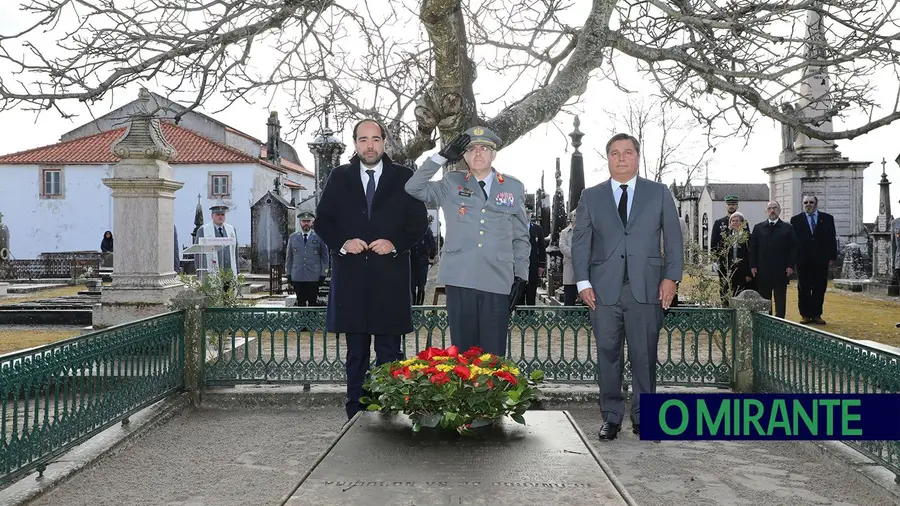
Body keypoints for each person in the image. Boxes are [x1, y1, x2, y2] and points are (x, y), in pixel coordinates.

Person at [314, 118, 428, 420]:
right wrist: (343, 242)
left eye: (375, 139)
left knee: (390, 353)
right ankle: (355, 412)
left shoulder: (404, 177)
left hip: (390, 280)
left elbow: (418, 223)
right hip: (351, 280)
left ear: (384, 142)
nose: (370, 145)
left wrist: (394, 243)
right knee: (356, 354)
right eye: (363, 140)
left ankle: (388, 409)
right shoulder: (339, 177)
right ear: (355, 143)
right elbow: (323, 221)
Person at [571, 133, 683, 440]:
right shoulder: (591, 196)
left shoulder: (658, 193)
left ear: (637, 156)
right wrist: (582, 282)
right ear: (608, 158)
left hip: (647, 289)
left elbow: (673, 238)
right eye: (615, 153)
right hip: (602, 291)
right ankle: (611, 416)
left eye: (628, 152)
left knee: (644, 356)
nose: (621, 158)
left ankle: (644, 417)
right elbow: (580, 242)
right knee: (608, 355)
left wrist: (671, 278)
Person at [405, 126, 529, 356]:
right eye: (471, 148)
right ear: (463, 154)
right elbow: (413, 187)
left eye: (485, 148)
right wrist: (441, 156)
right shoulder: (451, 183)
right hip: (460, 277)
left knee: (493, 355)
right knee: (463, 354)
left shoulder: (512, 187)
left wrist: (521, 274)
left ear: (494, 154)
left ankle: (493, 393)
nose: (478, 153)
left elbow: (521, 236)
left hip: (497, 277)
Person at [789, 194, 836, 324]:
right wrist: (793, 259)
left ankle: (816, 314)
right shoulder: (796, 220)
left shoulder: (827, 218)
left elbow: (832, 238)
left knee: (819, 287)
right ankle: (805, 314)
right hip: (803, 259)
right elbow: (793, 241)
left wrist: (832, 256)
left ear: (816, 203)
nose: (808, 205)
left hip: (821, 259)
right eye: (805, 202)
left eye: (811, 202)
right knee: (803, 287)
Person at [749, 201, 798, 319]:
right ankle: (766, 320)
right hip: (763, 269)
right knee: (765, 298)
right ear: (766, 211)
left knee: (780, 297)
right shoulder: (758, 228)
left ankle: (780, 321)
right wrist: (753, 266)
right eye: (770, 208)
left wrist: (790, 266)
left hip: (781, 270)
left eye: (775, 208)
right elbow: (753, 248)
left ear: (779, 211)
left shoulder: (788, 228)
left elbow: (793, 248)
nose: (772, 210)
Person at [709, 195, 748, 306]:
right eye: (729, 204)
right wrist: (714, 260)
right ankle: (725, 311)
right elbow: (713, 244)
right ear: (725, 205)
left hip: (740, 265)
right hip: (724, 264)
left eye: (733, 204)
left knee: (739, 290)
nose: (731, 206)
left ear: (737, 205)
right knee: (724, 289)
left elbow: (748, 244)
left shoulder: (744, 223)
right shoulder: (719, 222)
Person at [285, 211, 329, 307]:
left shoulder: (319, 237)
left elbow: (325, 257)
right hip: (298, 276)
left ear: (312, 222)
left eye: (308, 221)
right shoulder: (293, 238)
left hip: (313, 276)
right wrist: (288, 273)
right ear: (300, 222)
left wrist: (323, 274)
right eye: (304, 221)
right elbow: (289, 257)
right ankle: (301, 322)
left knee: (312, 302)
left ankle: (311, 322)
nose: (306, 223)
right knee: (300, 303)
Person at [195, 204, 239, 286]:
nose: (220, 217)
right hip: (210, 270)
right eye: (217, 214)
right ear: (212, 216)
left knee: (228, 294)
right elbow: (197, 252)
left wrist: (237, 269)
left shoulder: (231, 230)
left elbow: (235, 250)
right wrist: (199, 271)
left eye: (222, 214)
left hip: (228, 270)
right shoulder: (203, 230)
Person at [719, 211, 753, 298]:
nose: (734, 223)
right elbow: (722, 254)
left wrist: (748, 273)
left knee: (742, 295)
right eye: (732, 221)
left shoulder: (748, 237)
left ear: (742, 223)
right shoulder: (726, 236)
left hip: (743, 271)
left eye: (737, 221)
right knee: (729, 294)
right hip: (729, 271)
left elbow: (751, 255)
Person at [518, 204, 546, 306]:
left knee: (531, 291)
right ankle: (519, 318)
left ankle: (531, 316)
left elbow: (542, 247)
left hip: (533, 264)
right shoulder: (516, 227)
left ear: (531, 214)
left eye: (528, 213)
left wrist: (541, 265)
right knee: (519, 291)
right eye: (524, 213)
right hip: (519, 264)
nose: (526, 215)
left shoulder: (537, 229)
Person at [410, 217, 437, 305]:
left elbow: (433, 245)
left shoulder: (424, 230)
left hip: (415, 261)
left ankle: (415, 308)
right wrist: (431, 258)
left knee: (414, 286)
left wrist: (431, 257)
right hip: (419, 261)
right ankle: (417, 308)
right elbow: (433, 245)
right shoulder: (426, 230)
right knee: (418, 286)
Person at [558, 210, 578, 306]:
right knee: (569, 296)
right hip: (570, 266)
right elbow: (562, 247)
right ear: (571, 217)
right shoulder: (565, 232)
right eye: (574, 215)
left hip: (584, 267)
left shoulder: (587, 231)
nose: (576, 217)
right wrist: (577, 254)